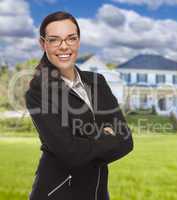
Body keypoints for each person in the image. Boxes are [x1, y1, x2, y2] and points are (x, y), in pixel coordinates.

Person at [25, 11, 133, 200]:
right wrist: (105, 134)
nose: (64, 46)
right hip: (56, 193)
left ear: (79, 41)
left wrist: (83, 142)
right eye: (54, 40)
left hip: (99, 193)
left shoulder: (97, 82)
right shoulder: (37, 92)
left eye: (71, 38)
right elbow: (69, 153)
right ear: (43, 44)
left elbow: (126, 140)